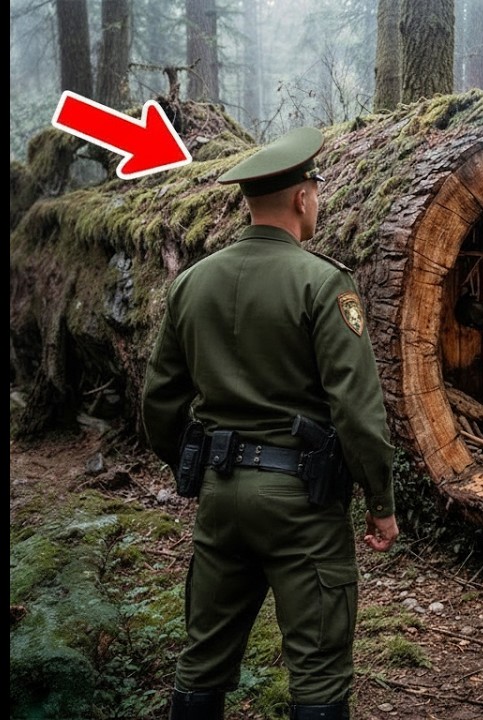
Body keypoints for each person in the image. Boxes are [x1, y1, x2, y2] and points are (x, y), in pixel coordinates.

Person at [142, 127, 400, 720]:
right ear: (301, 199)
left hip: (221, 496)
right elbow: (357, 412)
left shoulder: (191, 284)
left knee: (202, 660)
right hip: (302, 507)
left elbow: (159, 405)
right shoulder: (323, 283)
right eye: (316, 190)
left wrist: (198, 466)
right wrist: (380, 500)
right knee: (318, 670)